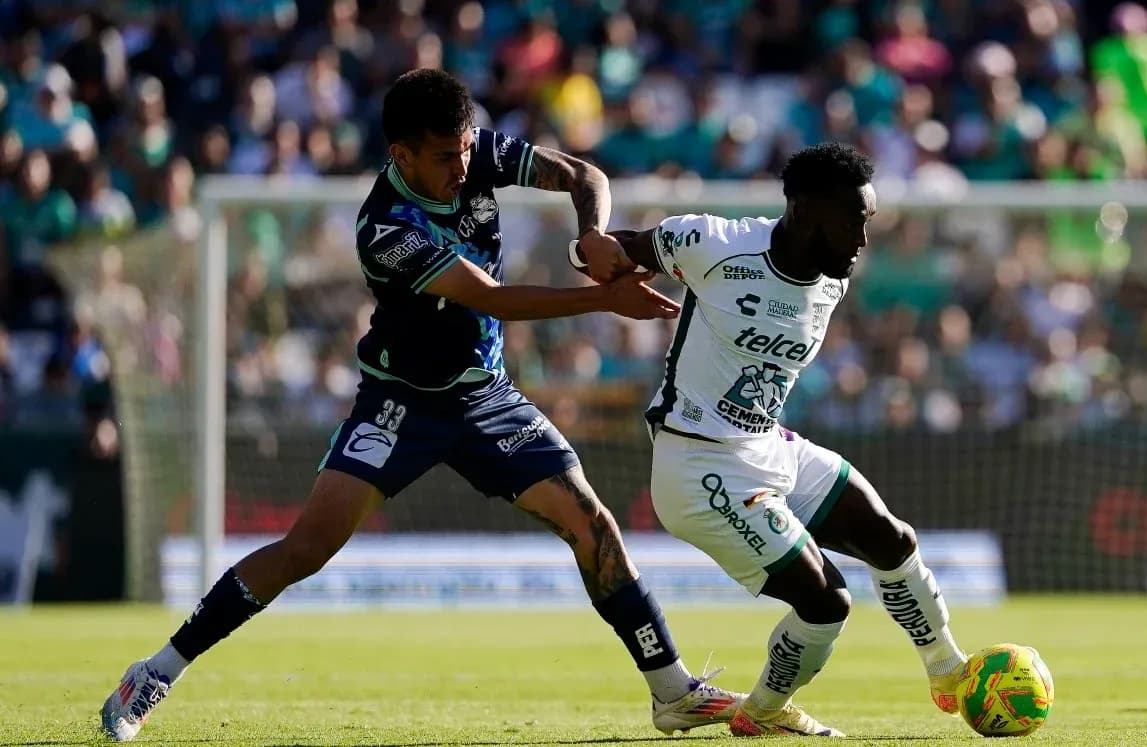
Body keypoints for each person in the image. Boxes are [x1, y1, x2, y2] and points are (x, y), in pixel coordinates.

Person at [100, 69, 744, 742]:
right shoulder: (385, 226)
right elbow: (492, 298)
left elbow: (585, 175)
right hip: (400, 404)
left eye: (466, 149)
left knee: (591, 523)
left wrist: (592, 233)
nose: (462, 168)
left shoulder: (476, 153)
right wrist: (606, 298)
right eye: (444, 157)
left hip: (486, 396)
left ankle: (671, 690)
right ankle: (155, 671)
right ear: (400, 155)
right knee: (306, 549)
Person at [573, 142, 969, 737]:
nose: (863, 240)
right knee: (826, 603)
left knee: (891, 539)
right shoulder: (714, 244)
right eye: (853, 222)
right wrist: (591, 255)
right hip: (699, 464)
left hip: (769, 445)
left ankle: (949, 671)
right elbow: (613, 252)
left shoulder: (833, 278)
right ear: (804, 212)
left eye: (868, 222)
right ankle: (761, 714)